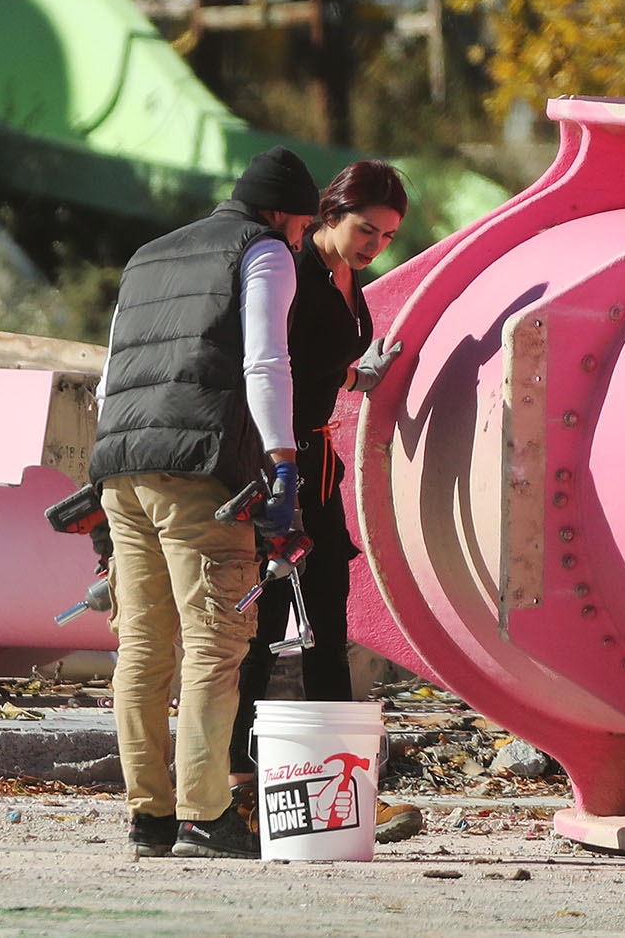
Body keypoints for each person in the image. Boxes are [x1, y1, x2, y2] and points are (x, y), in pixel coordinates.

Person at [92, 146, 317, 860]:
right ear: (283, 213)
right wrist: (283, 460)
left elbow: (107, 378)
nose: (304, 241)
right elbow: (264, 360)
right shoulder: (265, 251)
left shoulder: (148, 255)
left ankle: (148, 817)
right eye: (305, 228)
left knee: (143, 646)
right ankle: (205, 815)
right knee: (216, 645)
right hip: (199, 471)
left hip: (121, 467)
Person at [228, 159, 407, 790]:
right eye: (366, 230)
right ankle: (238, 777)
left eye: (387, 237)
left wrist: (359, 376)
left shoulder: (347, 277)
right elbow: (273, 361)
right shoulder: (294, 271)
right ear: (328, 215)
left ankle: (343, 780)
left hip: (320, 459)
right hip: (280, 460)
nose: (375, 247)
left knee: (329, 612)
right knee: (270, 614)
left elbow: (319, 363)